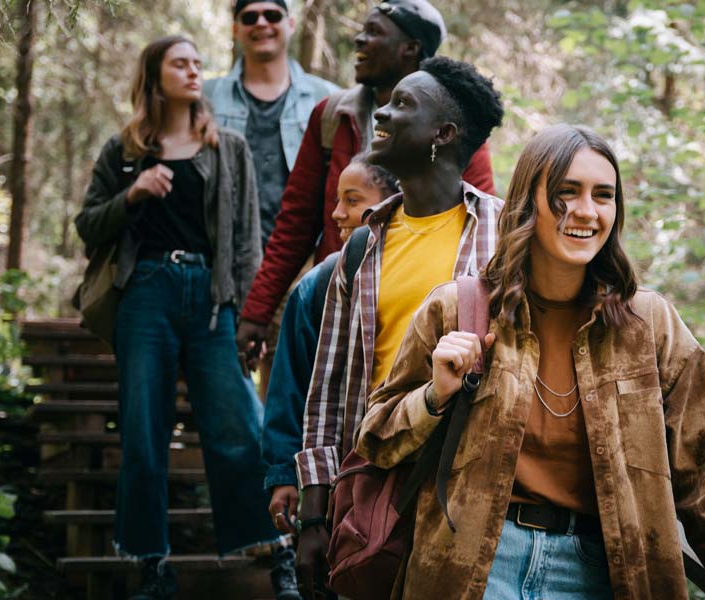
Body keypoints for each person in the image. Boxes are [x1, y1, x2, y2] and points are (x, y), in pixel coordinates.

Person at [354, 124, 705, 599]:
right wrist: (434, 396)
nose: (586, 211)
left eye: (603, 195)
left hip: (607, 570)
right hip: (474, 564)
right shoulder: (458, 308)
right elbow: (376, 441)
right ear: (528, 202)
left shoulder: (650, 326)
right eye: (566, 192)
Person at [73, 36, 278, 600]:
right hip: (145, 295)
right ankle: (149, 562)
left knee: (239, 424)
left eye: (196, 62)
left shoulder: (226, 147)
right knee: (144, 428)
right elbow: (87, 224)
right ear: (154, 75)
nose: (193, 71)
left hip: (211, 298)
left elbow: (246, 240)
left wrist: (250, 314)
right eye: (179, 63)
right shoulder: (124, 151)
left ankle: (270, 547)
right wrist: (133, 193)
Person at [293, 56, 505, 599]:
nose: (382, 111)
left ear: (444, 133)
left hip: (469, 487)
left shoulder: (505, 233)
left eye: (403, 104)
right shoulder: (363, 245)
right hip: (377, 482)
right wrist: (314, 515)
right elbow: (330, 388)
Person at [235, 0, 498, 372]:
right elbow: (295, 221)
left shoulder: (460, 131)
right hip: (339, 304)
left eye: (374, 32)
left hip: (424, 318)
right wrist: (258, 312)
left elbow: (476, 227)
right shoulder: (332, 116)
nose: (360, 39)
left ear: (409, 48)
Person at [259, 154, 400, 595]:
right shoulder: (317, 286)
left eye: (352, 200)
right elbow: (290, 388)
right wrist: (284, 475)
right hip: (337, 486)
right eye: (337, 200)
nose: (337, 213)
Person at [204, 0, 338, 404]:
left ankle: (280, 465)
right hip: (227, 261)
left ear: (290, 24)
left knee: (291, 379)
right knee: (228, 383)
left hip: (296, 264)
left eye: (272, 15)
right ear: (235, 29)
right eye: (249, 17)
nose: (261, 24)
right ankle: (244, 465)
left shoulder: (328, 98)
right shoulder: (207, 98)